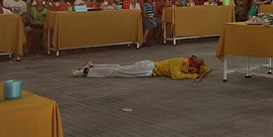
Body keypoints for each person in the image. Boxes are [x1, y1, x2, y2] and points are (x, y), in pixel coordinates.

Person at [72, 55, 211, 80]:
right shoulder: (178, 62)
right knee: (116, 72)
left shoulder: (186, 63)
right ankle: (87, 71)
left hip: (147, 67)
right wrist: (193, 76)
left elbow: (206, 69)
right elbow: (176, 76)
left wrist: (202, 68)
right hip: (147, 69)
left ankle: (93, 66)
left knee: (119, 68)